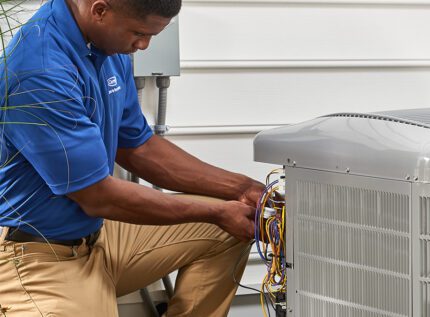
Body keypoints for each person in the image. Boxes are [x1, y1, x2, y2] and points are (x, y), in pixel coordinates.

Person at [0, 0, 264, 316]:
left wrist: (241, 189)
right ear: (99, 10)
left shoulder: (107, 46)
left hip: (97, 236)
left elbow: (138, 147)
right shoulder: (40, 69)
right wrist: (216, 211)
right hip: (36, 254)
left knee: (233, 227)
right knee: (221, 218)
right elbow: (97, 196)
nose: (143, 45)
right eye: (139, 33)